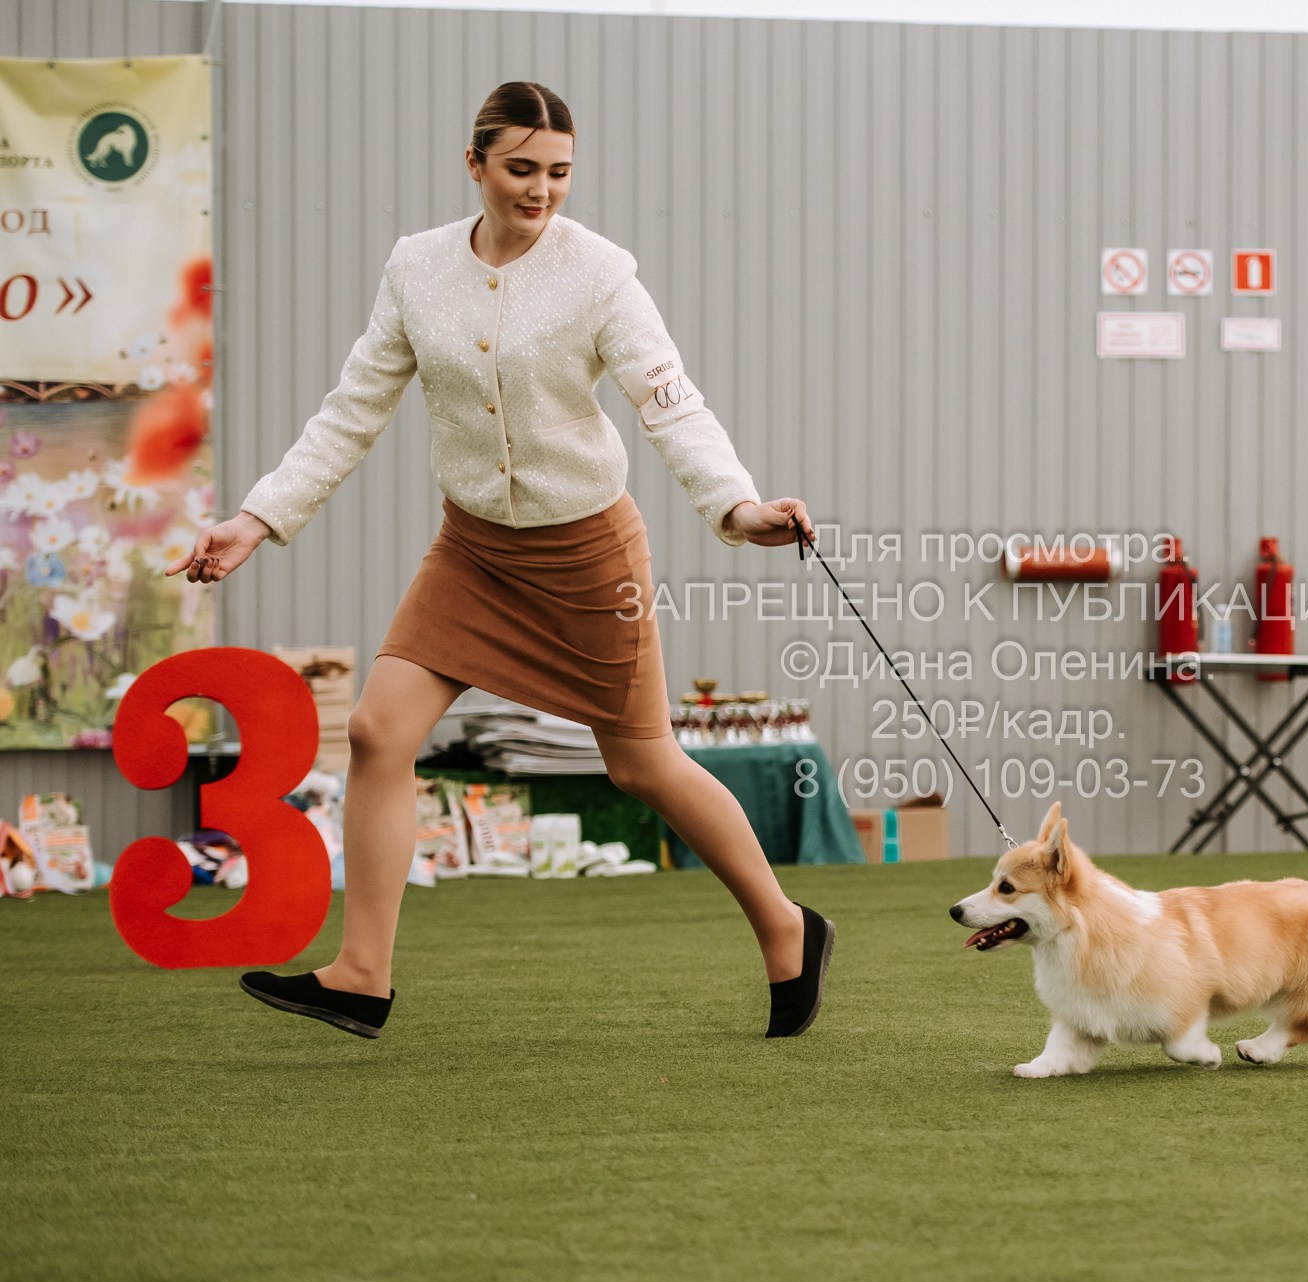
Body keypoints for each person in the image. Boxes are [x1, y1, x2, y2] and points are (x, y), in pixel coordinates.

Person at [165, 81, 834, 1041]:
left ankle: (787, 926)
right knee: (377, 732)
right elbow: (353, 407)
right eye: (521, 169)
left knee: (641, 762)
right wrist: (257, 518)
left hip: (586, 550)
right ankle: (361, 974)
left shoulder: (601, 274)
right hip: (473, 549)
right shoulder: (416, 268)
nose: (542, 190)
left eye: (559, 172)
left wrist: (739, 507)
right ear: (473, 162)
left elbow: (669, 402)